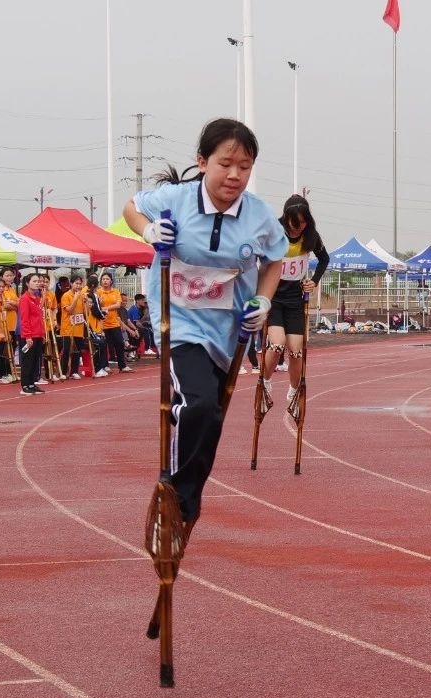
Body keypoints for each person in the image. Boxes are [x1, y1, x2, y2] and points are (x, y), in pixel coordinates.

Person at [123, 116, 287, 527]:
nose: (235, 175)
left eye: (245, 167)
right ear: (202, 162)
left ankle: (185, 506)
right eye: (225, 164)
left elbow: (274, 261)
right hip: (178, 325)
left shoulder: (259, 216)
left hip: (229, 332)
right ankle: (175, 500)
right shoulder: (175, 198)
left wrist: (263, 302)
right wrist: (147, 232)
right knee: (194, 404)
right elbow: (131, 208)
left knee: (210, 419)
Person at [259, 194, 329, 403]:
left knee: (296, 351)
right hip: (274, 297)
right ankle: (265, 380)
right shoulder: (275, 233)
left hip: (295, 299)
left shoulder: (311, 236)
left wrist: (314, 281)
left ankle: (293, 389)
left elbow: (324, 258)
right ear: (286, 218)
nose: (299, 227)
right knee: (278, 344)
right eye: (295, 223)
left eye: (304, 222)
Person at [96, 272, 131, 374]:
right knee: (104, 345)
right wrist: (102, 308)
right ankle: (105, 365)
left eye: (107, 279)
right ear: (101, 281)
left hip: (114, 323)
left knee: (119, 343)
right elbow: (96, 307)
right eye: (103, 279)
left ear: (111, 281)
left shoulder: (116, 291)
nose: (105, 281)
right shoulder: (98, 292)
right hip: (103, 323)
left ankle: (122, 366)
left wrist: (105, 308)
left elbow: (118, 305)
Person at [18, 272, 46, 395]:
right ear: (27, 283)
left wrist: (42, 333)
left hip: (38, 334)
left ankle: (31, 384)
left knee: (35, 361)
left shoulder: (37, 298)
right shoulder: (24, 299)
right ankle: (25, 385)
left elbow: (39, 317)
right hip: (29, 336)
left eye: (38, 281)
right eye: (34, 281)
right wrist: (28, 336)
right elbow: (24, 319)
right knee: (27, 361)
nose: (37, 283)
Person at [58, 275, 88, 379]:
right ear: (71, 284)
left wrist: (87, 302)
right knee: (67, 350)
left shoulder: (82, 296)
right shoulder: (66, 295)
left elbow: (85, 312)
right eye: (76, 283)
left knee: (77, 350)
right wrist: (75, 299)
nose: (79, 286)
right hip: (68, 327)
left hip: (78, 327)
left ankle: (74, 371)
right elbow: (69, 310)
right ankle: (63, 371)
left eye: (80, 284)